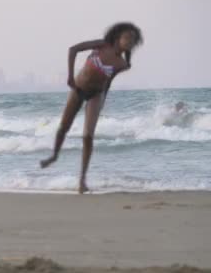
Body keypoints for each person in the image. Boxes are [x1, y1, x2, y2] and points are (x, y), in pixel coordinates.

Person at [40, 22, 143, 194]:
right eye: (127, 38)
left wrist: (103, 100)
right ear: (118, 37)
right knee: (64, 127)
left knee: (88, 136)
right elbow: (73, 49)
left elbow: (108, 81)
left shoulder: (122, 64)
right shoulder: (101, 44)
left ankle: (82, 181)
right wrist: (70, 77)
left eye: (133, 40)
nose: (130, 42)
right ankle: (54, 155)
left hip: (96, 95)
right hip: (78, 89)